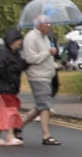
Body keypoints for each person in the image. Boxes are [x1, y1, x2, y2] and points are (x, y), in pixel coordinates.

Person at [19, 15, 62, 145]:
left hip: (46, 75)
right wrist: (48, 53)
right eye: (47, 24)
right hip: (37, 75)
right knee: (45, 106)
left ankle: (17, 127)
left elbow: (46, 56)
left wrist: (52, 54)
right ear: (40, 25)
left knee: (40, 106)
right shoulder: (31, 37)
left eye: (50, 24)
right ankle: (46, 135)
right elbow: (31, 58)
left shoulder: (45, 38)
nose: (50, 27)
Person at [0, 25, 27, 147]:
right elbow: (0, 70)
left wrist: (25, 64)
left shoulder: (14, 53)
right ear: (12, 41)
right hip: (3, 87)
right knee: (10, 111)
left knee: (1, 112)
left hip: (8, 87)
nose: (19, 44)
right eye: (18, 42)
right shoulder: (3, 53)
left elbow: (19, 65)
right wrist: (13, 71)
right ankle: (10, 137)